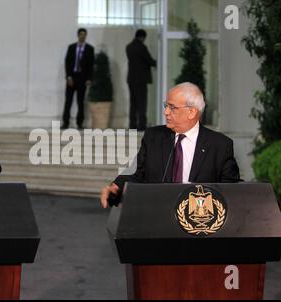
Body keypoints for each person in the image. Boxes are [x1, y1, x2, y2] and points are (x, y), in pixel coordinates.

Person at [100, 82, 240, 208]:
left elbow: (230, 192)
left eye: (172, 107)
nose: (165, 112)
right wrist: (115, 187)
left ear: (191, 112)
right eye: (166, 106)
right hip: (157, 218)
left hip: (198, 224)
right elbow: (136, 172)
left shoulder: (220, 145)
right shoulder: (153, 137)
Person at [61, 28, 95, 129]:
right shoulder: (71, 47)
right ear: (78, 35)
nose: (83, 36)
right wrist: (68, 77)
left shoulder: (90, 49)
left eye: (84, 35)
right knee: (68, 101)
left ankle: (79, 123)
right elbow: (67, 62)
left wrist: (89, 79)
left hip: (82, 78)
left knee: (80, 102)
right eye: (81, 34)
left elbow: (91, 65)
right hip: (71, 78)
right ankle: (65, 123)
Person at [126, 29, 157, 131]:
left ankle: (132, 125)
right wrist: (158, 63)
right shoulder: (142, 47)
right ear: (143, 37)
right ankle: (141, 125)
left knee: (133, 103)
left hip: (131, 79)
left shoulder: (129, 47)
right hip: (141, 79)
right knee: (142, 103)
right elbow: (149, 60)